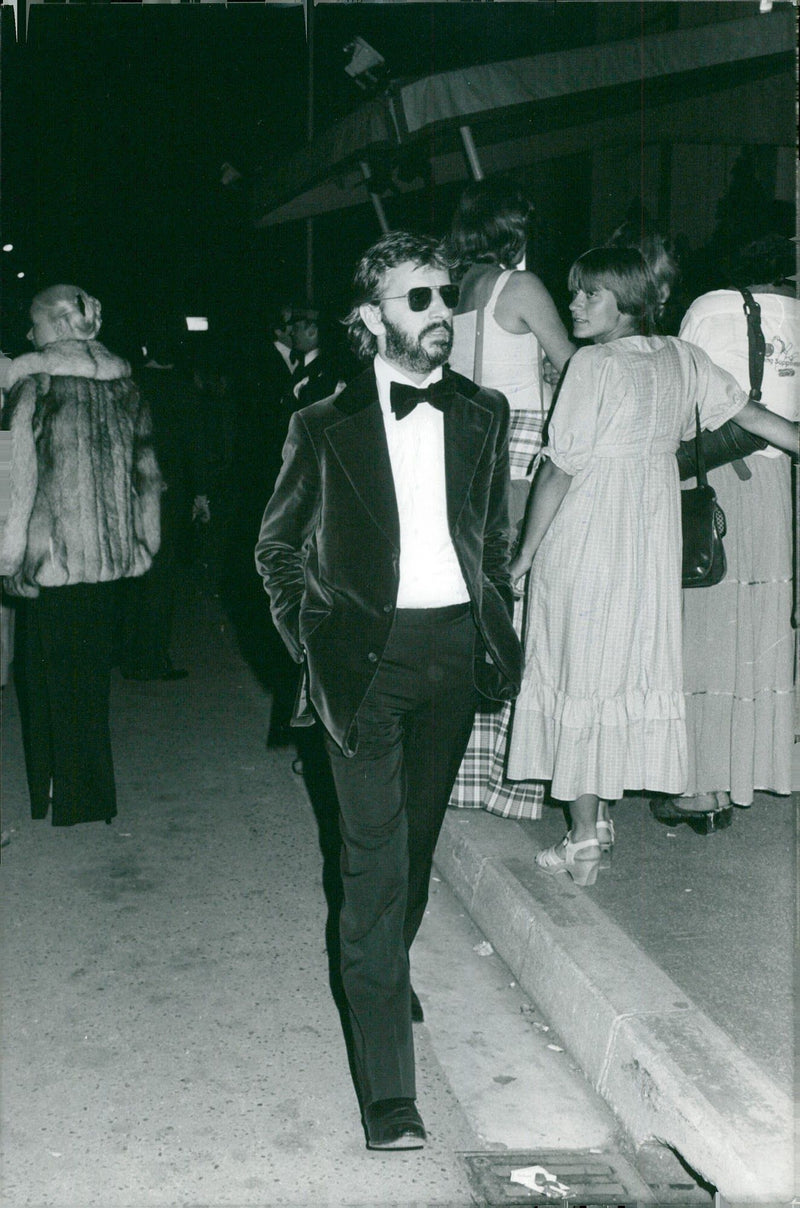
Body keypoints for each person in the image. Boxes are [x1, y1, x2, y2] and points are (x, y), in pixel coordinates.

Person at [255, 231, 521, 1150]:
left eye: (447, 296)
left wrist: (496, 620)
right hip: (362, 666)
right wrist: (312, 639)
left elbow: (491, 541)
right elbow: (275, 549)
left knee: (413, 843)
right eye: (421, 299)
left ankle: (386, 966)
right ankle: (389, 1095)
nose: (443, 314)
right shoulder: (321, 425)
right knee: (372, 871)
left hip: (453, 657)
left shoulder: (485, 413)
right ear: (372, 319)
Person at [505, 248, 798, 886]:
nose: (575, 304)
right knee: (622, 668)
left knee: (580, 668)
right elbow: (748, 415)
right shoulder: (682, 357)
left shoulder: (592, 364)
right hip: (648, 541)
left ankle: (584, 836)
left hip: (585, 536)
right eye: (576, 292)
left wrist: (524, 554)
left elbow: (559, 467)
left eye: (590, 295)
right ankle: (599, 818)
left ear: (629, 304)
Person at [650, 234, 799, 834]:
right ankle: (749, 769)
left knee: (706, 626)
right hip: (780, 480)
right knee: (761, 626)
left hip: (719, 482)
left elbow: (678, 393)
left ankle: (701, 787)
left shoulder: (712, 307)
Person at [0, 285, 161, 827]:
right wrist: (144, 545)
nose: (28, 333)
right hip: (109, 562)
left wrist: (9, 556)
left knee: (41, 680)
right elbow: (146, 477)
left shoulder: (36, 385)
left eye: (35, 323)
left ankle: (53, 793)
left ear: (61, 325)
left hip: (51, 561)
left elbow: (21, 481)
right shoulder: (127, 387)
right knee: (90, 684)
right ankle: (90, 798)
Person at [444, 177, 575, 821]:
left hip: (473, 449)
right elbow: (577, 365)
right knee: (525, 608)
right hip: (522, 448)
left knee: (484, 601)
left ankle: (464, 772)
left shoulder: (464, 287)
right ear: (513, 229)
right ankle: (511, 778)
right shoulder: (519, 286)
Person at [118, 333, 194, 680]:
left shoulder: (130, 385)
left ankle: (127, 651)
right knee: (162, 575)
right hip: (168, 491)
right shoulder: (182, 387)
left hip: (131, 487)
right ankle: (153, 655)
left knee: (134, 571)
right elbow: (193, 444)